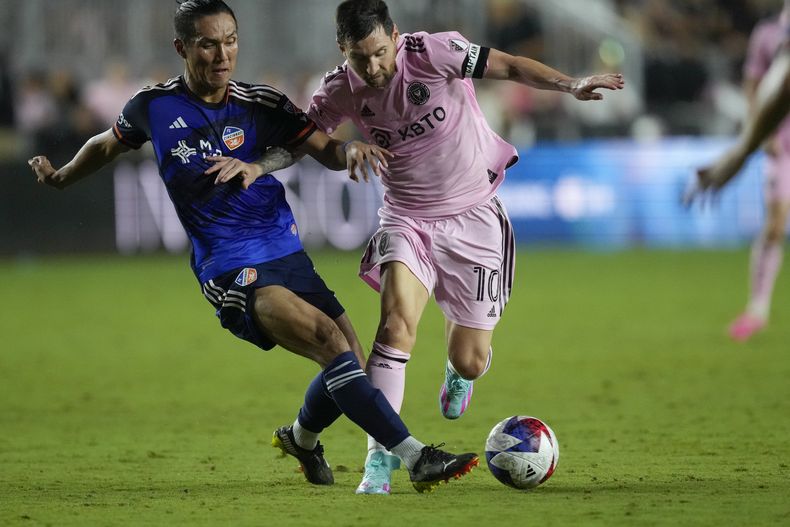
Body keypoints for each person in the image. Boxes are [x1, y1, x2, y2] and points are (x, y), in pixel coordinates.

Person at [28, 0, 479, 494]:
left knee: (350, 357)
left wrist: (348, 149)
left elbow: (322, 147)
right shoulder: (154, 106)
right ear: (182, 47)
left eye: (231, 41)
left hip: (284, 251)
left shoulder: (260, 103)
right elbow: (106, 143)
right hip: (228, 266)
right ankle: (414, 457)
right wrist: (63, 177)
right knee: (331, 344)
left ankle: (302, 438)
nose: (222, 55)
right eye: (208, 43)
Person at [303, 0, 623, 494]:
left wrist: (570, 83)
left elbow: (510, 66)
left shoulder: (435, 52)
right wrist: (342, 148)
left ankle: (461, 373)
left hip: (473, 216)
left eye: (379, 53)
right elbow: (308, 135)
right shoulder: (340, 87)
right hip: (406, 216)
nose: (373, 67)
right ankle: (380, 461)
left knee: (471, 356)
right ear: (343, 50)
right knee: (393, 328)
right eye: (359, 58)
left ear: (395, 34)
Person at [688, 4, 790, 342]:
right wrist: (758, 141)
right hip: (783, 144)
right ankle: (757, 308)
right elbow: (757, 89)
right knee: (775, 225)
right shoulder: (768, 37)